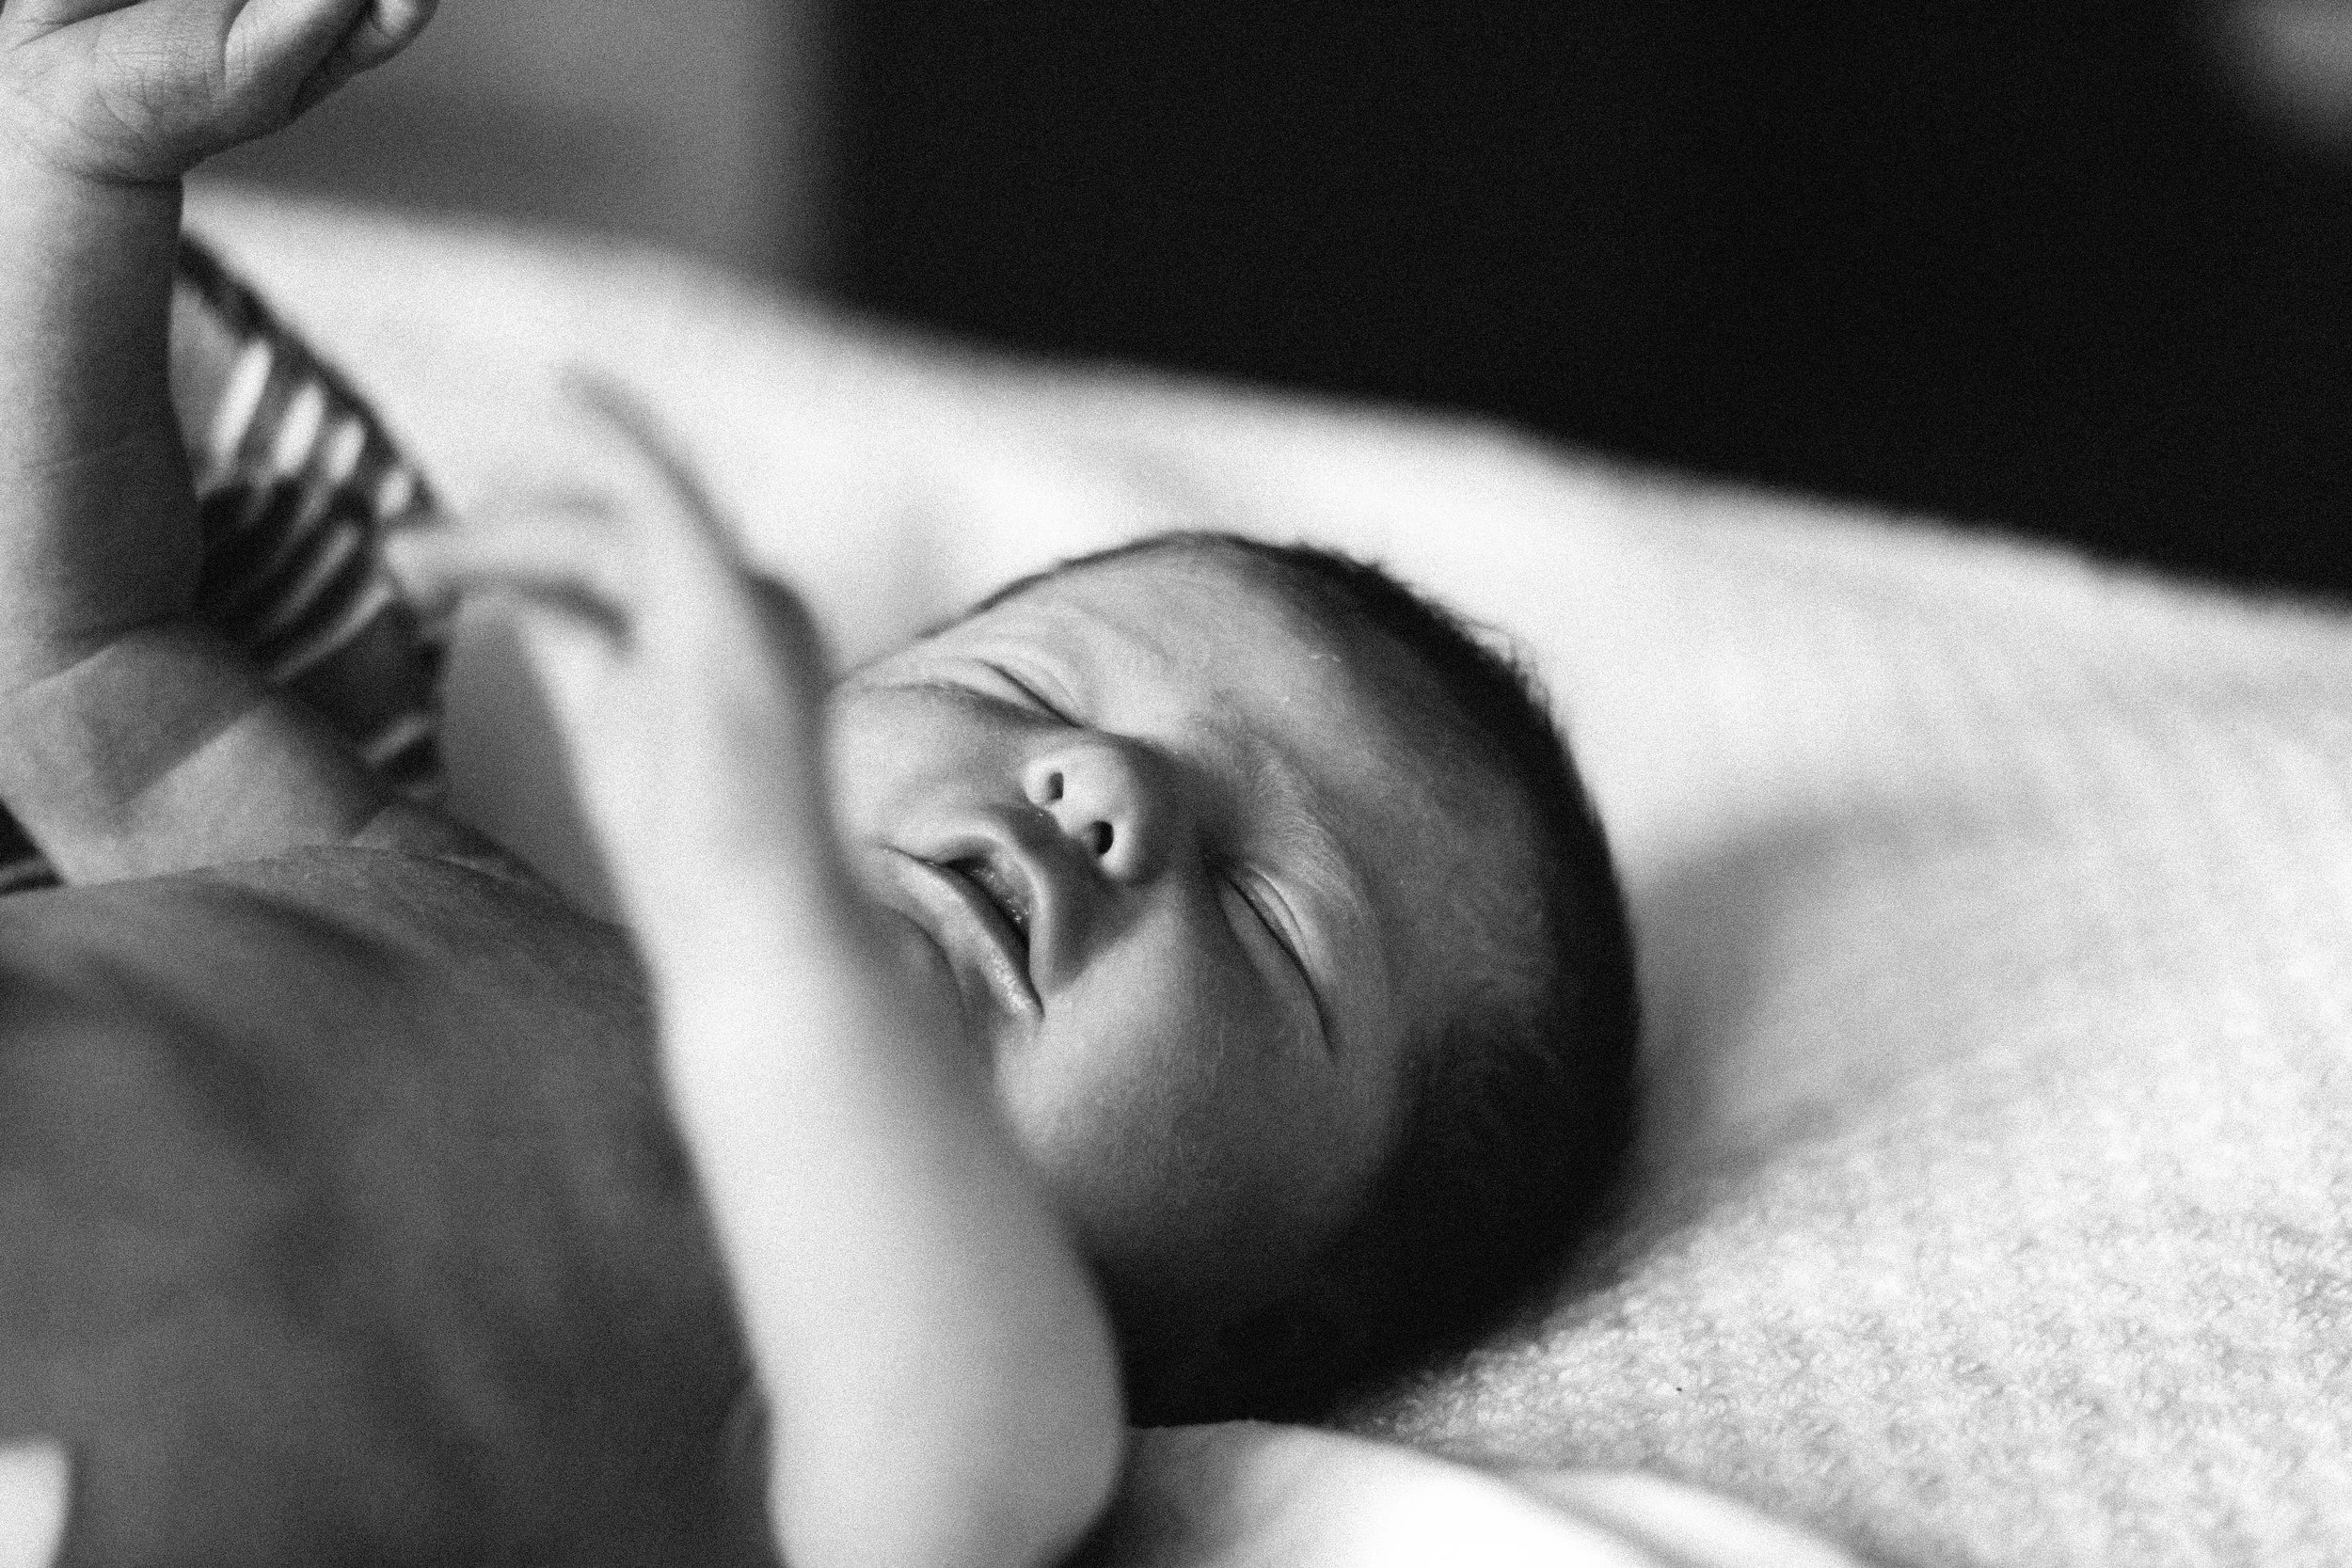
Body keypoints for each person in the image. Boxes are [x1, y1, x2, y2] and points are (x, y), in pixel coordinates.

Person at [0, 3, 1638, 1565]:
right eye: (1018, 690)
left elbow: (973, 1471)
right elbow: (84, 676)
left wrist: (761, 901)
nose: (1098, 782)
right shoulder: (411, 882)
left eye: (1270, 913)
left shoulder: (911, 1389)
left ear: (1261, 1335)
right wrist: (72, 174)